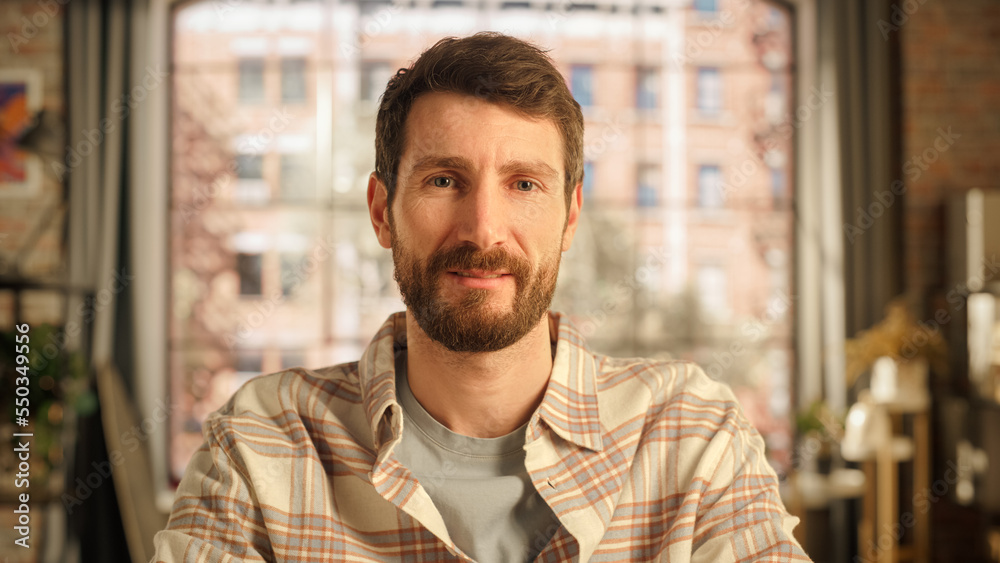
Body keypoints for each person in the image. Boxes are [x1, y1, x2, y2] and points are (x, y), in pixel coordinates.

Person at [153, 32, 811, 562]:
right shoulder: (259, 447)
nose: (483, 230)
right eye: (444, 179)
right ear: (382, 210)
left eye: (524, 184)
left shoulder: (696, 440)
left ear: (570, 216)